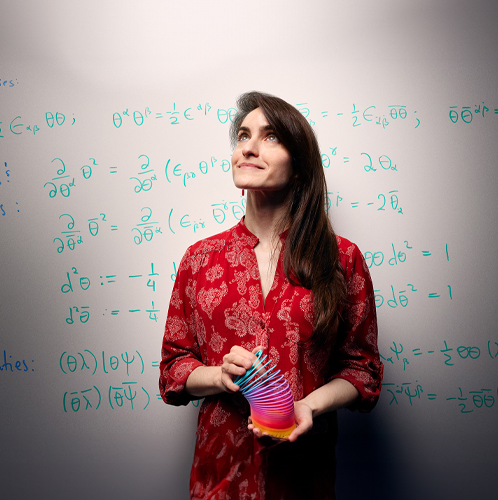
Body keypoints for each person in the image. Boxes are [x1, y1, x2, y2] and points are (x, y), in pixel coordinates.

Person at [159, 91, 382, 499]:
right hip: (219, 479)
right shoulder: (199, 260)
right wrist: (219, 376)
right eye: (243, 135)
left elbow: (362, 369)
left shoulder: (342, 260)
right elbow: (174, 367)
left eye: (271, 136)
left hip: (303, 479)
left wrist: (309, 406)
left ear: (299, 167)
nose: (249, 146)